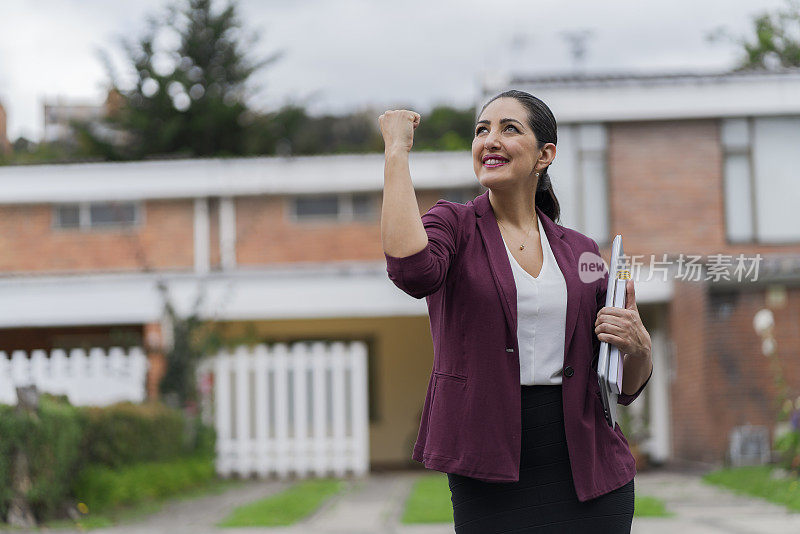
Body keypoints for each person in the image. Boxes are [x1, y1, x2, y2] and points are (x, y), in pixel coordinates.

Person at [379, 90, 654, 533]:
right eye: (481, 130)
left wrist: (640, 346)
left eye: (509, 128)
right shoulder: (452, 224)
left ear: (545, 154)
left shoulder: (581, 251)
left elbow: (624, 385)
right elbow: (411, 271)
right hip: (488, 464)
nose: (490, 139)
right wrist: (396, 151)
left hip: (591, 467)